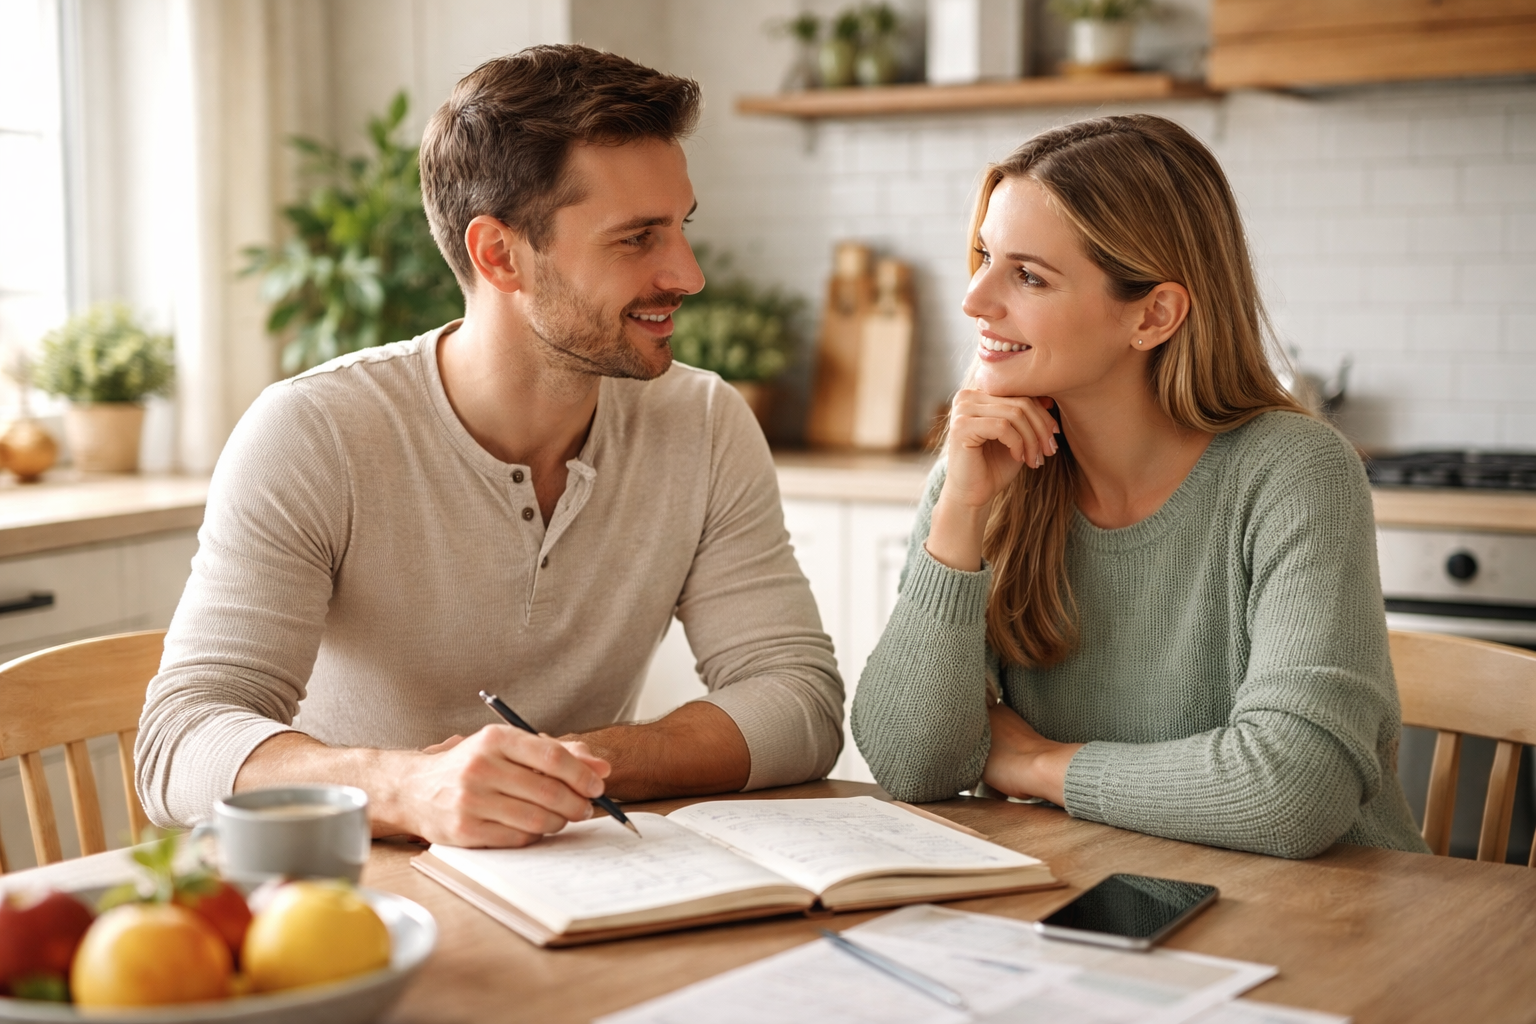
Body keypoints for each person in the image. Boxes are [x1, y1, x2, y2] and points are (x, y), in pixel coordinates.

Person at [136, 45, 843, 846]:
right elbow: (178, 743)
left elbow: (799, 699)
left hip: (574, 878)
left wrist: (570, 764)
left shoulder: (704, 421)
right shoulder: (314, 431)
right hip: (346, 898)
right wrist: (405, 787)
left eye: (680, 227)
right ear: (499, 254)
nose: (687, 272)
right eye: (637, 238)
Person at [849, 114, 1427, 860]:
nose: (974, 300)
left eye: (1027, 275)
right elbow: (908, 764)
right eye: (985, 257)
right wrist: (958, 514)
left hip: (1334, 923)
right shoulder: (986, 466)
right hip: (1097, 891)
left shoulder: (1294, 471)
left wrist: (1032, 762)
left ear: (1153, 314)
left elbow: (1291, 792)